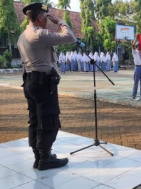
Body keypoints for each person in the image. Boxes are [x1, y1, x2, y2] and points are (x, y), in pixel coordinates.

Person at [17, 3, 76, 170]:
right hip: (43, 82)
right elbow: (70, 37)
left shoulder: (22, 36)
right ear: (40, 17)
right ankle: (45, 159)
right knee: (49, 118)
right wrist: (59, 21)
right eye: (46, 17)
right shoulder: (40, 34)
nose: (48, 20)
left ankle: (39, 157)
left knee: (35, 120)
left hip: (29, 81)